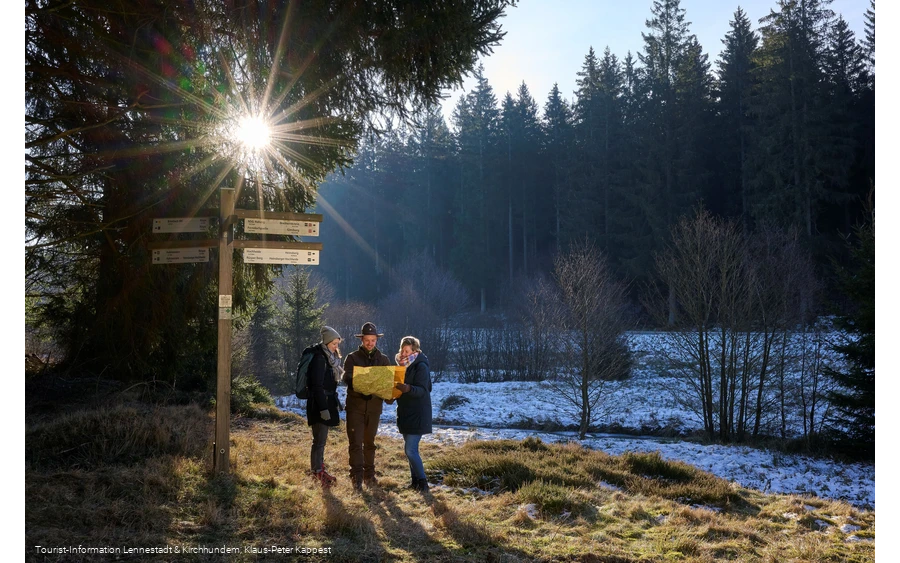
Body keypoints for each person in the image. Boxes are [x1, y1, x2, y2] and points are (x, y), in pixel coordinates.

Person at [342, 322, 392, 490]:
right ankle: (356, 477)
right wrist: (360, 385)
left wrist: (391, 395)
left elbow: (387, 384)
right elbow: (346, 377)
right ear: (362, 339)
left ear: (376, 340)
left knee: (369, 442)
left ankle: (369, 475)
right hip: (355, 407)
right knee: (355, 442)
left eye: (373, 340)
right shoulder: (352, 357)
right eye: (367, 340)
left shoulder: (383, 359)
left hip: (374, 408)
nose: (370, 343)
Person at [393, 335, 432, 493]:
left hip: (418, 413)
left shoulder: (420, 366)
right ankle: (415, 482)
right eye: (402, 350)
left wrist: (408, 388)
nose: (403, 353)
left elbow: (424, 390)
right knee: (410, 451)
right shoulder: (402, 366)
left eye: (407, 350)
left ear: (414, 350)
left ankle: (423, 483)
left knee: (410, 450)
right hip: (405, 412)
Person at [307, 326, 344, 487]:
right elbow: (316, 386)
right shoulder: (319, 359)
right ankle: (317, 472)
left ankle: (320, 468)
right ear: (327, 342)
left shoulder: (329, 358)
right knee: (319, 440)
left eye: (337, 343)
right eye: (334, 344)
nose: (336, 347)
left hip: (326, 402)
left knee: (322, 439)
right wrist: (323, 409)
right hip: (319, 404)